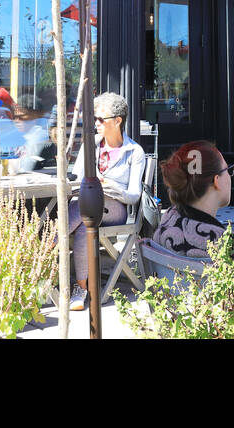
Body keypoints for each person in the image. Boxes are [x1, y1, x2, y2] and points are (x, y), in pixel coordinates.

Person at [66, 92, 147, 311]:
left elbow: (133, 195)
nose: (96, 123)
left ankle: (45, 248)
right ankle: (81, 287)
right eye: (94, 119)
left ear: (118, 121)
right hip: (88, 209)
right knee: (85, 223)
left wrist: (107, 185)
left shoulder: (134, 151)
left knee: (87, 211)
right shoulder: (90, 145)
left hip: (116, 212)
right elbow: (75, 181)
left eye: (101, 119)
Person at [153, 141, 234, 259]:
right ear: (217, 180)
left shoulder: (169, 219)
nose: (230, 176)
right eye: (229, 170)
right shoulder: (229, 245)